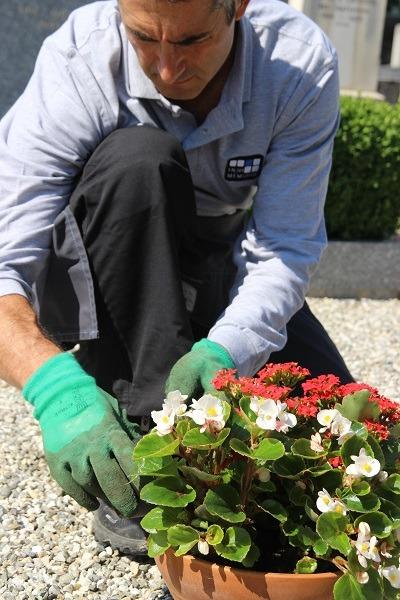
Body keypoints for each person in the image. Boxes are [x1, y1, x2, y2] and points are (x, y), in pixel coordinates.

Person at [0, 0, 353, 556]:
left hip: (222, 265)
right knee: (138, 159)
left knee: (340, 425)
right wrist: (54, 389)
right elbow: (5, 259)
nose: (166, 70)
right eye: (144, 38)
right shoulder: (80, 60)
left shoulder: (298, 64)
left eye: (190, 42)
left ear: (237, 7)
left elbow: (283, 248)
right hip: (111, 268)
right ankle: (145, 433)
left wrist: (228, 346)